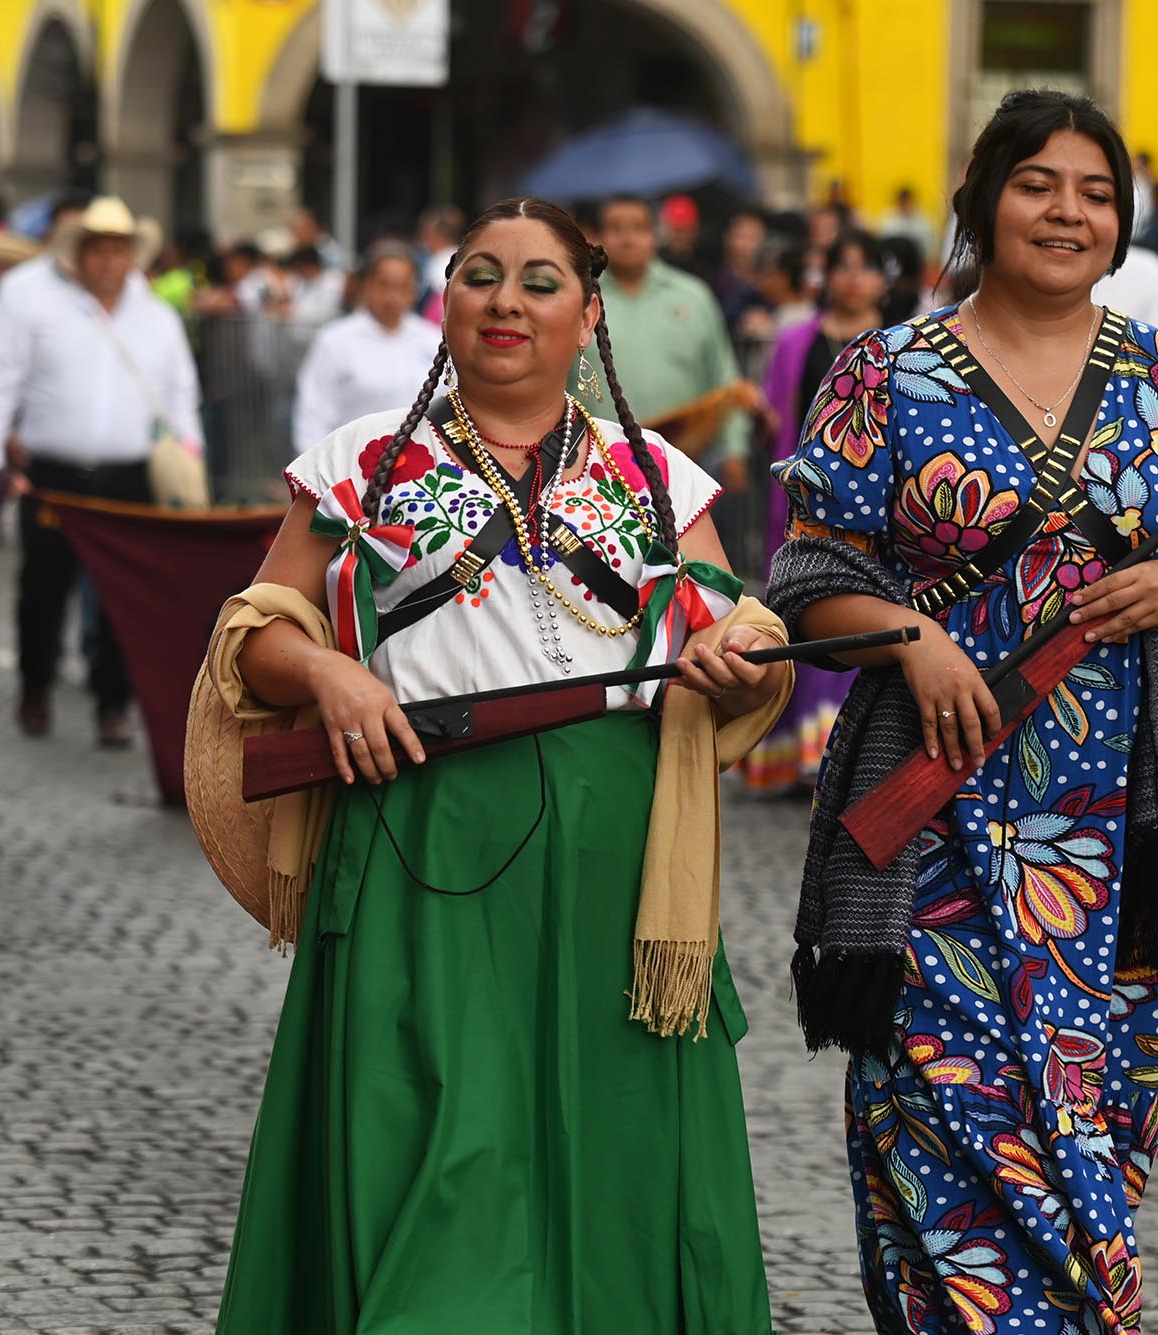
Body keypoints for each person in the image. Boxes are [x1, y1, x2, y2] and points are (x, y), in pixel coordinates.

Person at [212, 195, 791, 1334]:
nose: (506, 301)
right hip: (417, 840)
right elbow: (258, 627)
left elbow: (735, 619)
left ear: (589, 315)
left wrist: (737, 646)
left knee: (609, 1145)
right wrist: (329, 675)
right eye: (481, 275)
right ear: (446, 301)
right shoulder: (360, 464)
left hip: (616, 854)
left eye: (538, 281)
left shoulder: (657, 475)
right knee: (436, 1147)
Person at [767, 89, 1158, 1335]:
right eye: (1037, 183)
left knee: (1089, 1125)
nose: (1066, 211)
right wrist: (914, 639)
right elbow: (806, 576)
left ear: (1121, 224)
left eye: (1094, 193)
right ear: (980, 201)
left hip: (1115, 823)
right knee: (942, 1111)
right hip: (933, 805)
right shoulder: (882, 372)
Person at [0, 195, 202, 745]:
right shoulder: (37, 305)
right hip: (54, 477)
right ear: (81, 254)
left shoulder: (159, 318)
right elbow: (2, 385)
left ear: (132, 256)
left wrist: (190, 465)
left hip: (129, 477)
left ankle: (113, 704)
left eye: (119, 250)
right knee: (42, 589)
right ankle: (35, 687)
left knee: (124, 598)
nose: (108, 262)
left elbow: (181, 398)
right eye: (98, 250)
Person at [747, 229, 886, 795]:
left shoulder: (904, 342)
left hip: (880, 505)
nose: (853, 278)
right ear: (823, 276)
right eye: (842, 266)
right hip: (805, 498)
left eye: (865, 266)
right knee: (805, 607)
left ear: (886, 277)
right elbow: (776, 417)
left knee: (868, 609)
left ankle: (858, 753)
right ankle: (805, 754)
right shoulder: (796, 342)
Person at [583, 194, 752, 470]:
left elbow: (723, 376)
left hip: (684, 462)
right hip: (595, 463)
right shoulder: (577, 300)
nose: (627, 238)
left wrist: (735, 448)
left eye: (638, 228)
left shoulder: (694, 297)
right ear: (597, 236)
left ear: (655, 235)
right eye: (615, 229)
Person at [290, 240, 442, 453]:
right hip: (350, 467)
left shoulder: (432, 341)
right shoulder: (335, 340)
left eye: (403, 286)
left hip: (418, 470)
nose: (393, 297)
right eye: (384, 285)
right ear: (367, 284)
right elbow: (313, 413)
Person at [878, 185, 938, 262]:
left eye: (907, 202)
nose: (905, 206)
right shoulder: (889, 218)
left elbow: (929, 244)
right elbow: (884, 240)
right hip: (894, 259)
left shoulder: (922, 218)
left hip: (917, 260)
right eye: (903, 203)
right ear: (898, 202)